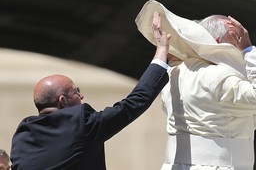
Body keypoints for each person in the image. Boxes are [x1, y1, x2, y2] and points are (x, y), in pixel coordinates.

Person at [10, 12, 171, 170]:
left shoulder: (22, 134)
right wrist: (162, 51)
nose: (81, 96)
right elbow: (134, 103)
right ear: (62, 101)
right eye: (75, 91)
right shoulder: (81, 124)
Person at [135, 0, 256, 170]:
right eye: (236, 39)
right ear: (218, 41)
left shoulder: (174, 74)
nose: (238, 46)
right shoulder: (221, 76)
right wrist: (248, 50)